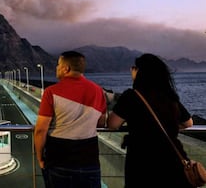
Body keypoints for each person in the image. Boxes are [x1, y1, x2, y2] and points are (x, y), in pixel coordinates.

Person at [107, 53, 194, 188]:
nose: (132, 70)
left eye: (134, 68)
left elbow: (112, 124)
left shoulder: (131, 96)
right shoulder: (169, 96)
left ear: (140, 72)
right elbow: (188, 123)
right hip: (172, 160)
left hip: (142, 161)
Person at [34, 50, 107, 188]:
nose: (56, 68)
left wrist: (39, 158)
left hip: (59, 160)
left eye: (58, 65)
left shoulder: (51, 91)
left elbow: (41, 130)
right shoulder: (98, 91)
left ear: (65, 68)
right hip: (89, 160)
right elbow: (101, 123)